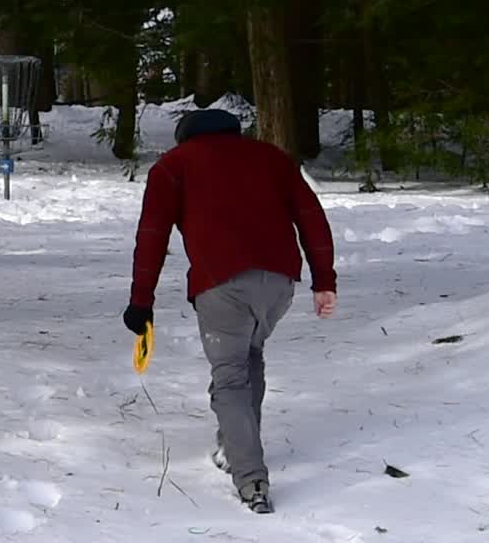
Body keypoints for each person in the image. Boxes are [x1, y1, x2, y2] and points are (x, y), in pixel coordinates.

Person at [123, 109, 337, 514]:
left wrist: (141, 301)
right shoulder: (272, 158)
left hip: (221, 283)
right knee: (248, 356)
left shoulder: (174, 166)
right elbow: (312, 216)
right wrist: (324, 279)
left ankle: (251, 479)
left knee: (230, 377)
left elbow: (152, 235)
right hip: (279, 284)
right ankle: (232, 443)